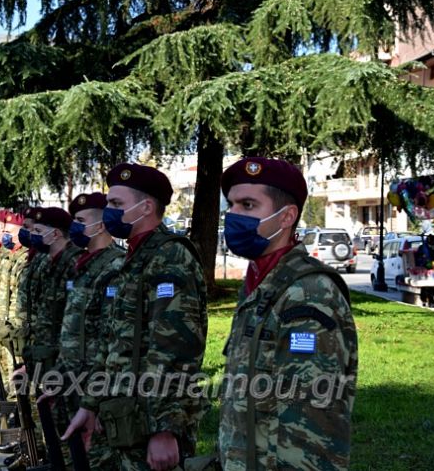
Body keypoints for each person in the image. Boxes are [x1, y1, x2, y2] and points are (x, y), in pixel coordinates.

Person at [63, 163, 208, 471]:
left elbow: (174, 349)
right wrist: (90, 405)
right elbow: (112, 342)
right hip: (120, 417)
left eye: (116, 204)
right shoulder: (133, 259)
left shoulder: (170, 257)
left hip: (147, 424)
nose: (108, 213)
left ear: (146, 207)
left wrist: (164, 429)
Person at [217, 157, 358, 470]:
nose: (233, 215)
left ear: (286, 217)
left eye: (248, 205)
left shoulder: (308, 292)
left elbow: (308, 424)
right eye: (232, 205)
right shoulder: (262, 283)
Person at [40, 191, 125, 469]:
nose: (74, 226)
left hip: (94, 386)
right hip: (72, 380)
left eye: (80, 220)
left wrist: (96, 398)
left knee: (96, 460)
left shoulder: (114, 267)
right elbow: (73, 330)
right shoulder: (84, 265)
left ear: (100, 225)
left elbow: (110, 338)